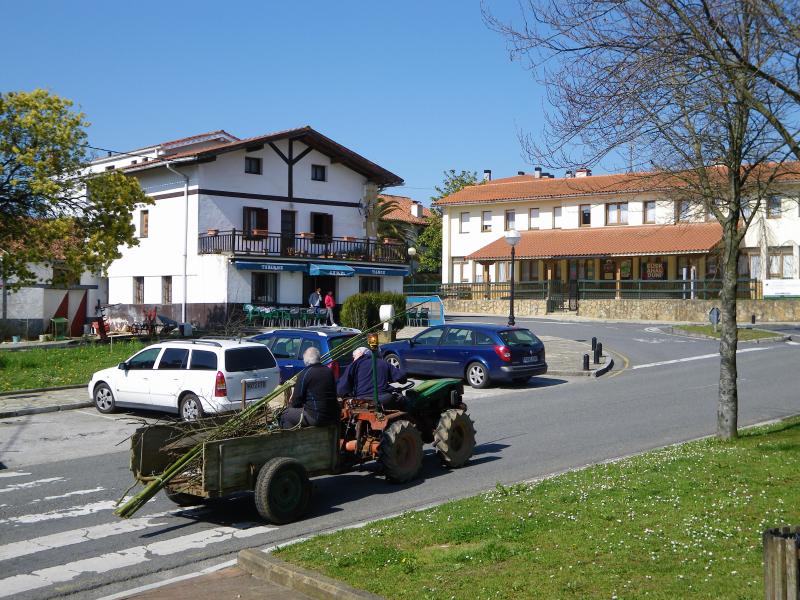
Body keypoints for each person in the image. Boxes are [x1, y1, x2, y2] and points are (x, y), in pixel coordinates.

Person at [280, 347, 340, 429]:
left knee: (285, 414)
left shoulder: (305, 373)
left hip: (317, 417)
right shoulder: (328, 371)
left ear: (306, 360)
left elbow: (296, 401)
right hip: (333, 415)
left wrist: (292, 405)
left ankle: (292, 439)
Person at [337, 346, 407, 406]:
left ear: (361, 354)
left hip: (361, 401)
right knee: (404, 400)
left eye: (354, 357)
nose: (354, 359)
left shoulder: (352, 366)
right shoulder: (382, 362)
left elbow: (341, 388)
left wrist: (347, 397)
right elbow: (401, 377)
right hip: (384, 399)